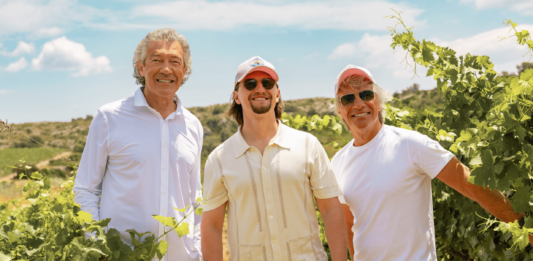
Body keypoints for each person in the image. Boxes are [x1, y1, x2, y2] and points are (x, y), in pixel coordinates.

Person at [331, 65, 531, 260]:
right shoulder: (338, 162)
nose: (358, 104)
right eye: (348, 99)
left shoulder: (410, 144)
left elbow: (469, 183)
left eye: (366, 95)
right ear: (340, 110)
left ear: (379, 102)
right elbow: (349, 226)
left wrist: (524, 225)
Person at [73, 28, 203, 261]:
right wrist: (98, 247)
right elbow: (86, 189)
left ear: (185, 71)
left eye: (175, 61)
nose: (166, 69)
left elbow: (195, 198)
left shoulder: (193, 125)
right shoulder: (109, 118)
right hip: (122, 256)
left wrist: (197, 250)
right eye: (156, 60)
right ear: (141, 67)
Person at [201, 56, 347, 261]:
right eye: (250, 84)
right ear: (236, 96)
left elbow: (331, 210)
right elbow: (212, 226)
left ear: (277, 94)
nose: (260, 89)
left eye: (267, 83)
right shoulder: (219, 159)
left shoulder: (308, 145)